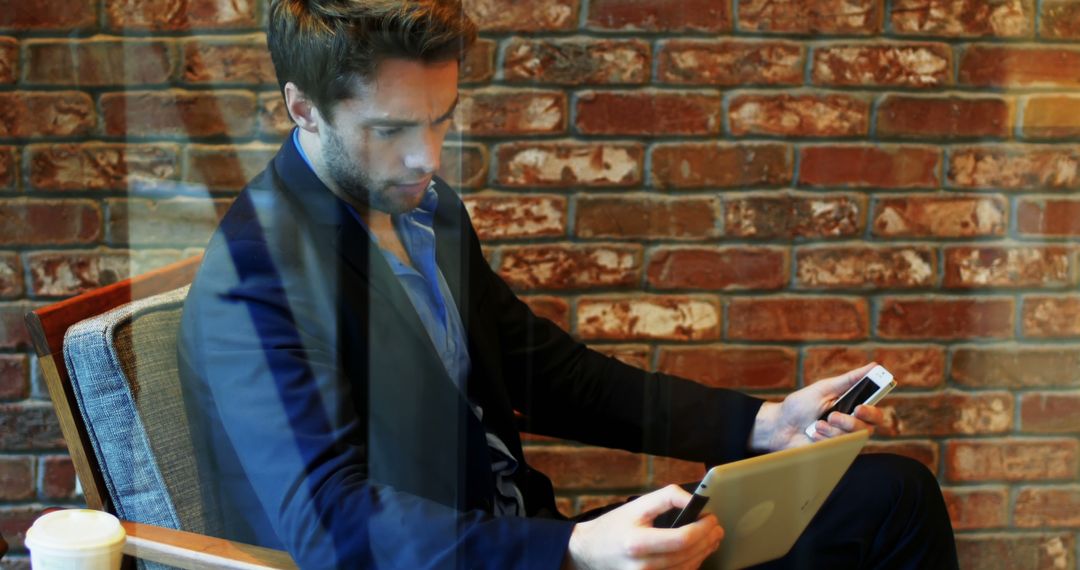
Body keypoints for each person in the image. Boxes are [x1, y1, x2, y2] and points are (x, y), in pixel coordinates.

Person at [177, 1, 959, 568]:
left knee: (891, 496)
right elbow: (331, 526)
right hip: (503, 558)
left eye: (441, 120)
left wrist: (761, 424)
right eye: (390, 131)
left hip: (542, 544)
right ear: (302, 109)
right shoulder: (255, 279)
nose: (429, 159)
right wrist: (577, 548)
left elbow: (548, 374)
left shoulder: (426, 214)